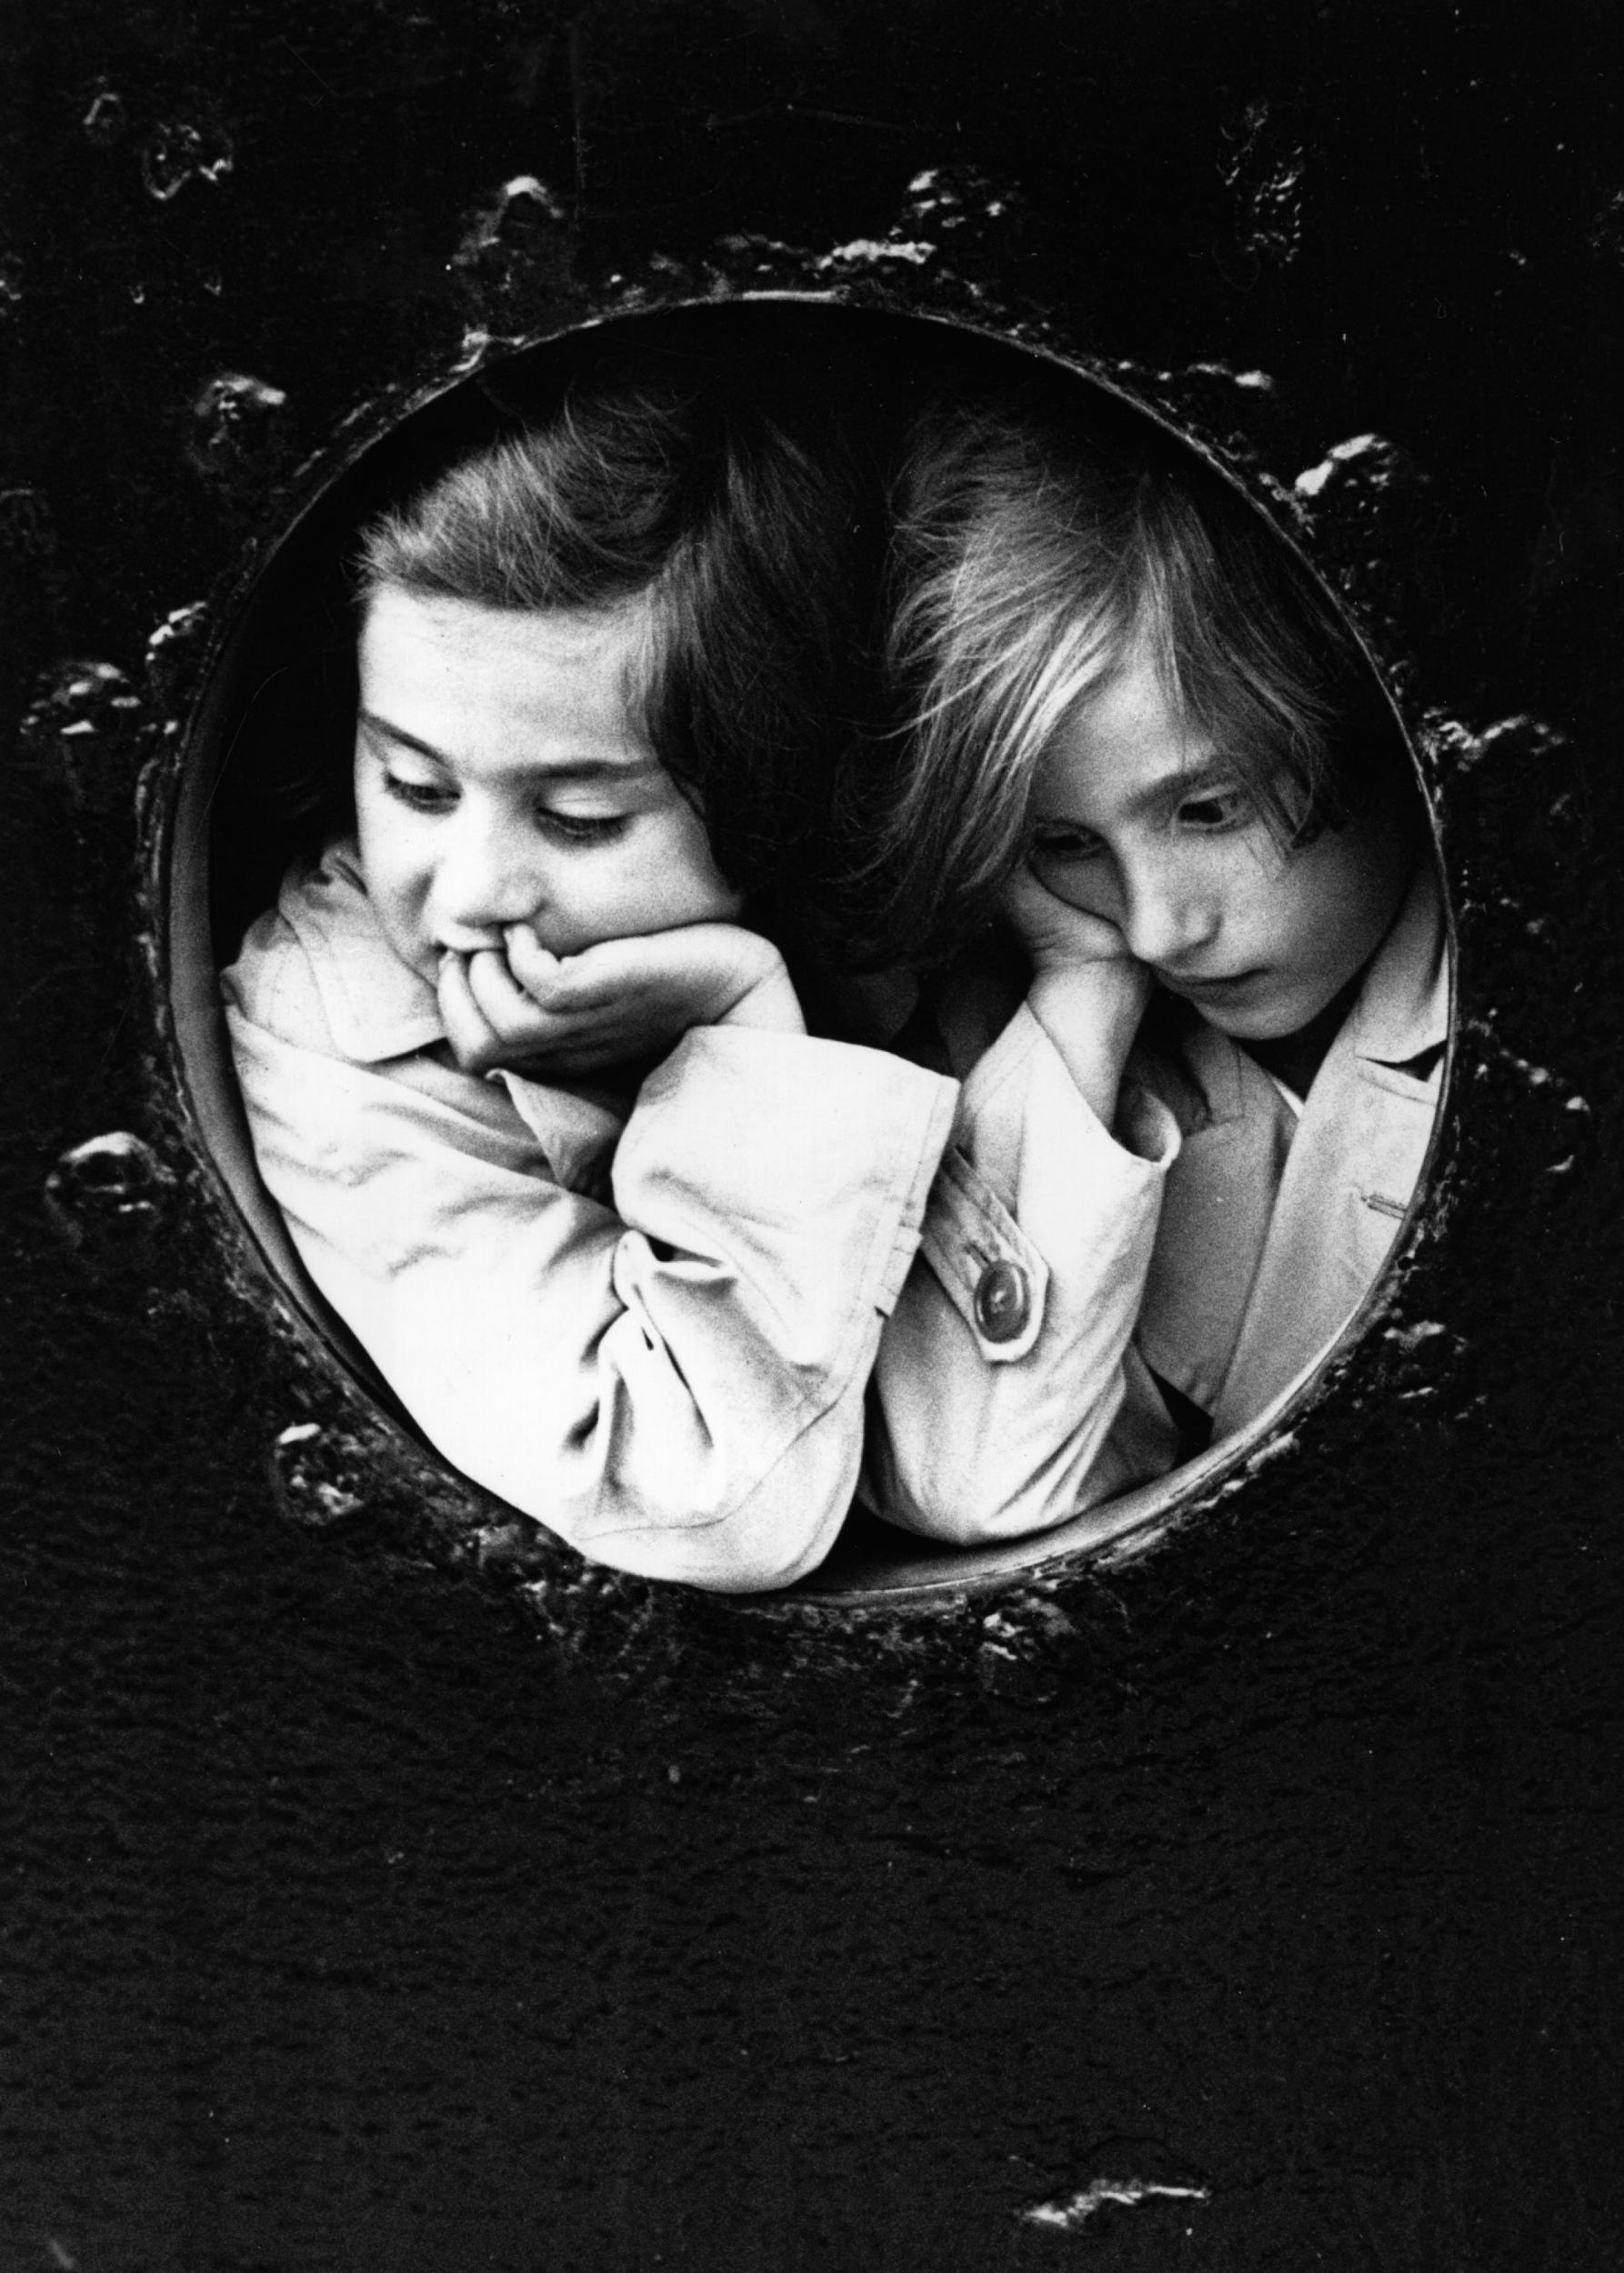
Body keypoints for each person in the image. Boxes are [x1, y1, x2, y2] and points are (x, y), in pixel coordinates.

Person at [223, 327, 965, 1591]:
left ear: (765, 795)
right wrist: (747, 1031)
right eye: (410, 782)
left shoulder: (892, 897)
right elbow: (718, 1501)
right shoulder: (337, 1031)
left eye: (575, 819)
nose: (463, 893)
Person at [857, 401, 1449, 1545]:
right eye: (1067, 844)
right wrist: (1080, 984)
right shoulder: (1059, 1052)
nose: (1155, 926)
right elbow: (980, 1486)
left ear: (1351, 715)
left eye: (1206, 808)